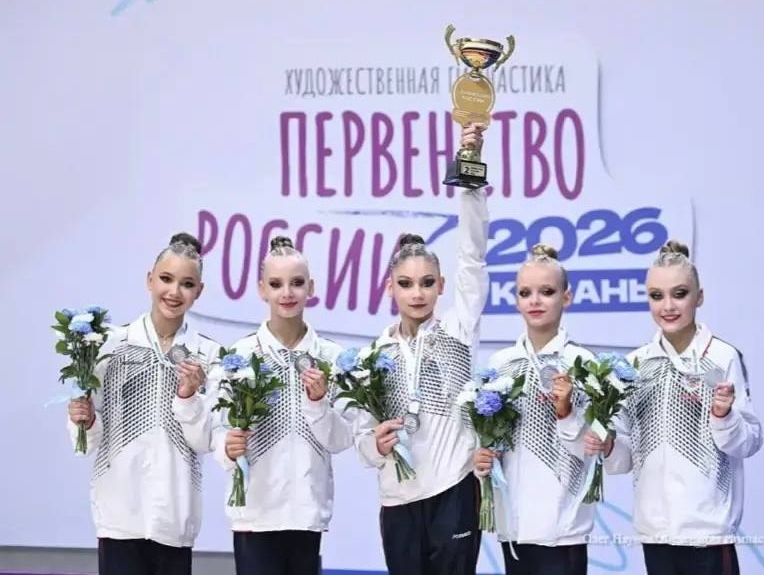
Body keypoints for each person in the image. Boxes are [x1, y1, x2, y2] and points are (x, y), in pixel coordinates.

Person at [352, 123, 491, 575]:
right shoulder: (375, 356)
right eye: (407, 284)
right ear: (390, 287)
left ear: (441, 286)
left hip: (455, 488)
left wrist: (470, 175)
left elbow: (473, 256)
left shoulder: (458, 329)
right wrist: (375, 445)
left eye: (427, 283)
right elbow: (362, 438)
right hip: (398, 499)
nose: (417, 293)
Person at [175, 236, 349, 575]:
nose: (287, 293)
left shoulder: (330, 358)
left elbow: (341, 440)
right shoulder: (238, 357)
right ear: (261, 289)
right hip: (254, 514)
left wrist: (318, 403)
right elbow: (215, 432)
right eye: (276, 284)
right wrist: (228, 448)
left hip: (306, 514)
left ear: (311, 287)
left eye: (297, 283)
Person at [590, 240, 764, 575]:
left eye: (679, 294)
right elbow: (625, 458)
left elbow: (749, 442)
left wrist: (724, 416)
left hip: (708, 534)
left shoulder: (723, 357)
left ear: (699, 296)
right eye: (657, 296)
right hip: (655, 533)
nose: (668, 306)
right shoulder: (634, 365)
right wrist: (608, 445)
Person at [67, 232, 221, 575]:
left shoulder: (209, 355)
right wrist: (85, 420)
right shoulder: (109, 346)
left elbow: (205, 441)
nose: (174, 291)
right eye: (166, 279)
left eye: (186, 284)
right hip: (119, 513)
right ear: (149, 280)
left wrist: (189, 396)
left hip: (175, 514)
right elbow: (86, 443)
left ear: (199, 291)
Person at [472, 243, 597, 575]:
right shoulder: (500, 364)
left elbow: (593, 451)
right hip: (514, 526)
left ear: (566, 297)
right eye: (525, 293)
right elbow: (494, 440)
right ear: (516, 300)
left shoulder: (583, 363)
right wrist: (484, 457)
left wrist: (566, 413)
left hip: (563, 528)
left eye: (547, 292)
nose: (535, 301)